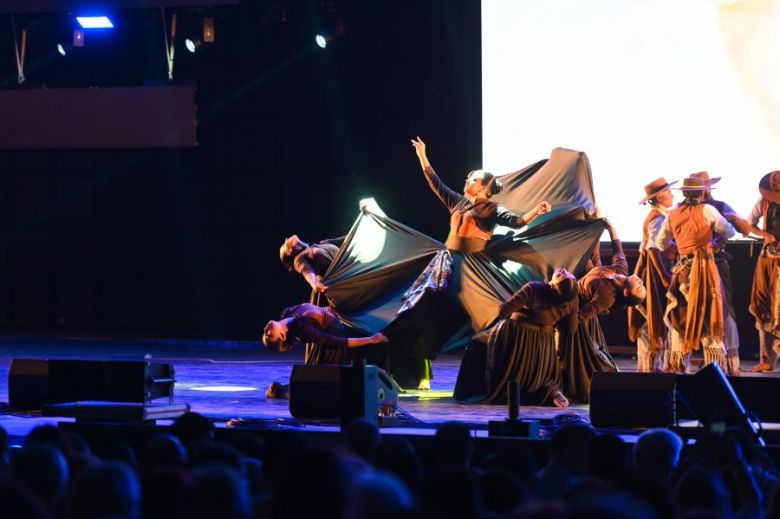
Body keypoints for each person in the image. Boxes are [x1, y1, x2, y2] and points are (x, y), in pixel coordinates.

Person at [453, 268, 578, 407]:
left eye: (561, 275)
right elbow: (571, 329)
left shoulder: (534, 288)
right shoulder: (572, 301)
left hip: (517, 338)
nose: (564, 270)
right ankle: (551, 391)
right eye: (567, 273)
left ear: (554, 285)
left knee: (476, 342)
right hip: (544, 347)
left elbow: (504, 311)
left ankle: (473, 390)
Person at [410, 136, 551, 253]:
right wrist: (422, 155)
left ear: (482, 187)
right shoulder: (458, 201)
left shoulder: (493, 208)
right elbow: (435, 182)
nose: (467, 180)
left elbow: (516, 222)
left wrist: (536, 211)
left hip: (472, 267)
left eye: (473, 179)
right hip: (448, 259)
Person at [657, 175, 737, 374]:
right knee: (710, 314)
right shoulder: (707, 210)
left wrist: (681, 246)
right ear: (702, 192)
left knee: (682, 314)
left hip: (684, 270)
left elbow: (661, 243)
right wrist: (712, 242)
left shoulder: (673, 214)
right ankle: (715, 369)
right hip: (706, 270)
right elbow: (729, 231)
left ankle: (678, 368)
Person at [559, 218, 645, 402]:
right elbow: (618, 249)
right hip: (589, 273)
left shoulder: (607, 297)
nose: (641, 282)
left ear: (626, 292)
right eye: (642, 285)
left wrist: (563, 326)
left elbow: (583, 315)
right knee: (593, 251)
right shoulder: (621, 270)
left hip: (574, 297)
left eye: (639, 288)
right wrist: (610, 227)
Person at [628, 178, 677, 372]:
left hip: (653, 270)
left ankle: (651, 368)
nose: (672, 194)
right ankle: (649, 370)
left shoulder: (662, 216)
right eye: (668, 192)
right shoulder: (658, 218)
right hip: (653, 273)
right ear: (658, 197)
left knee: (654, 318)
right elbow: (653, 248)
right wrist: (664, 275)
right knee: (652, 317)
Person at [747, 171, 780, 372]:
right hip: (768, 259)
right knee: (764, 306)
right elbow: (748, 224)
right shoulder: (764, 203)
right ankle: (767, 359)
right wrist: (764, 234)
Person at [279, 234, 344, 293]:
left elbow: (346, 238)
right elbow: (306, 271)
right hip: (340, 282)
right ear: (289, 252)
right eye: (285, 244)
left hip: (350, 268)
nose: (287, 240)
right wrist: (314, 283)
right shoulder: (299, 259)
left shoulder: (322, 243)